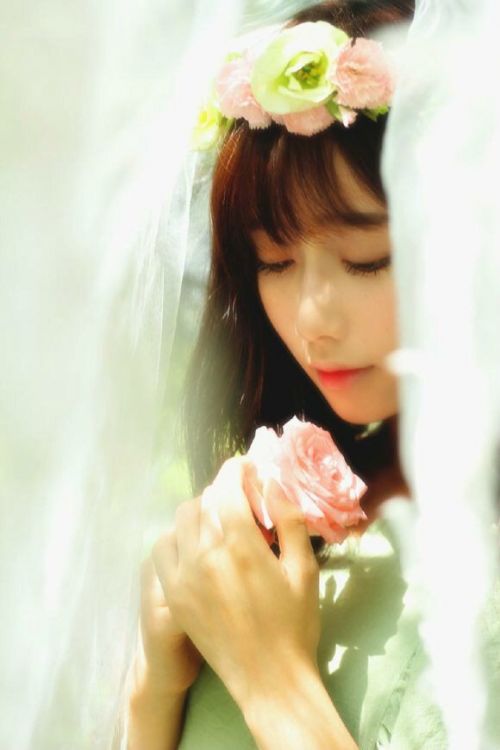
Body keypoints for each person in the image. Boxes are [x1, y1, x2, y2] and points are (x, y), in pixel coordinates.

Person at [125, 2, 499, 749]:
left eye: (367, 260)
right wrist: (154, 688)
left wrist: (273, 680)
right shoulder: (283, 514)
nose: (311, 318)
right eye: (274, 261)